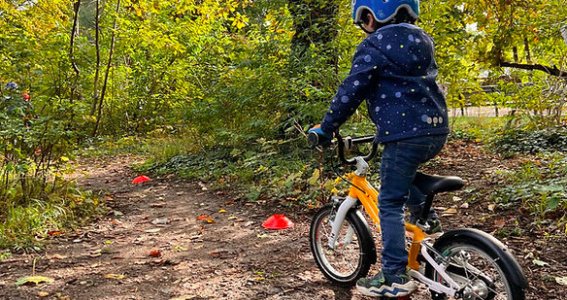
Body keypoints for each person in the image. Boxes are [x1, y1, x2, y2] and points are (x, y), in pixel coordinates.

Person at [308, 0, 449, 297]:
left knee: (389, 202)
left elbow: (351, 91)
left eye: (363, 20)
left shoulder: (374, 45)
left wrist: (327, 128)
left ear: (370, 16)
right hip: (435, 130)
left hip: (403, 134)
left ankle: (394, 276)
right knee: (404, 174)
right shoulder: (423, 40)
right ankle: (424, 216)